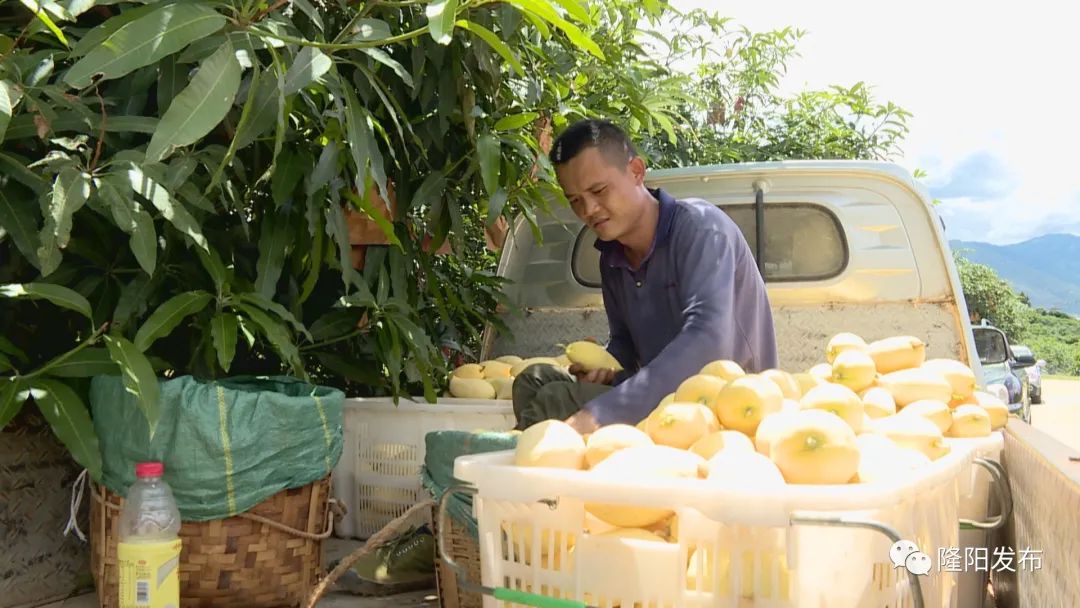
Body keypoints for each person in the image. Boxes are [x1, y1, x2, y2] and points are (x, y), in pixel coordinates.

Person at [512, 118, 779, 434]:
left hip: (720, 403)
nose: (589, 210)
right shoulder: (612, 258)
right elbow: (625, 344)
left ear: (636, 171)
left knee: (555, 400)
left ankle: (532, 466)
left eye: (598, 190)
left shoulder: (700, 229)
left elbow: (708, 340)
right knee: (533, 380)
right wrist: (606, 366)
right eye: (575, 200)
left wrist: (599, 413)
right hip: (659, 397)